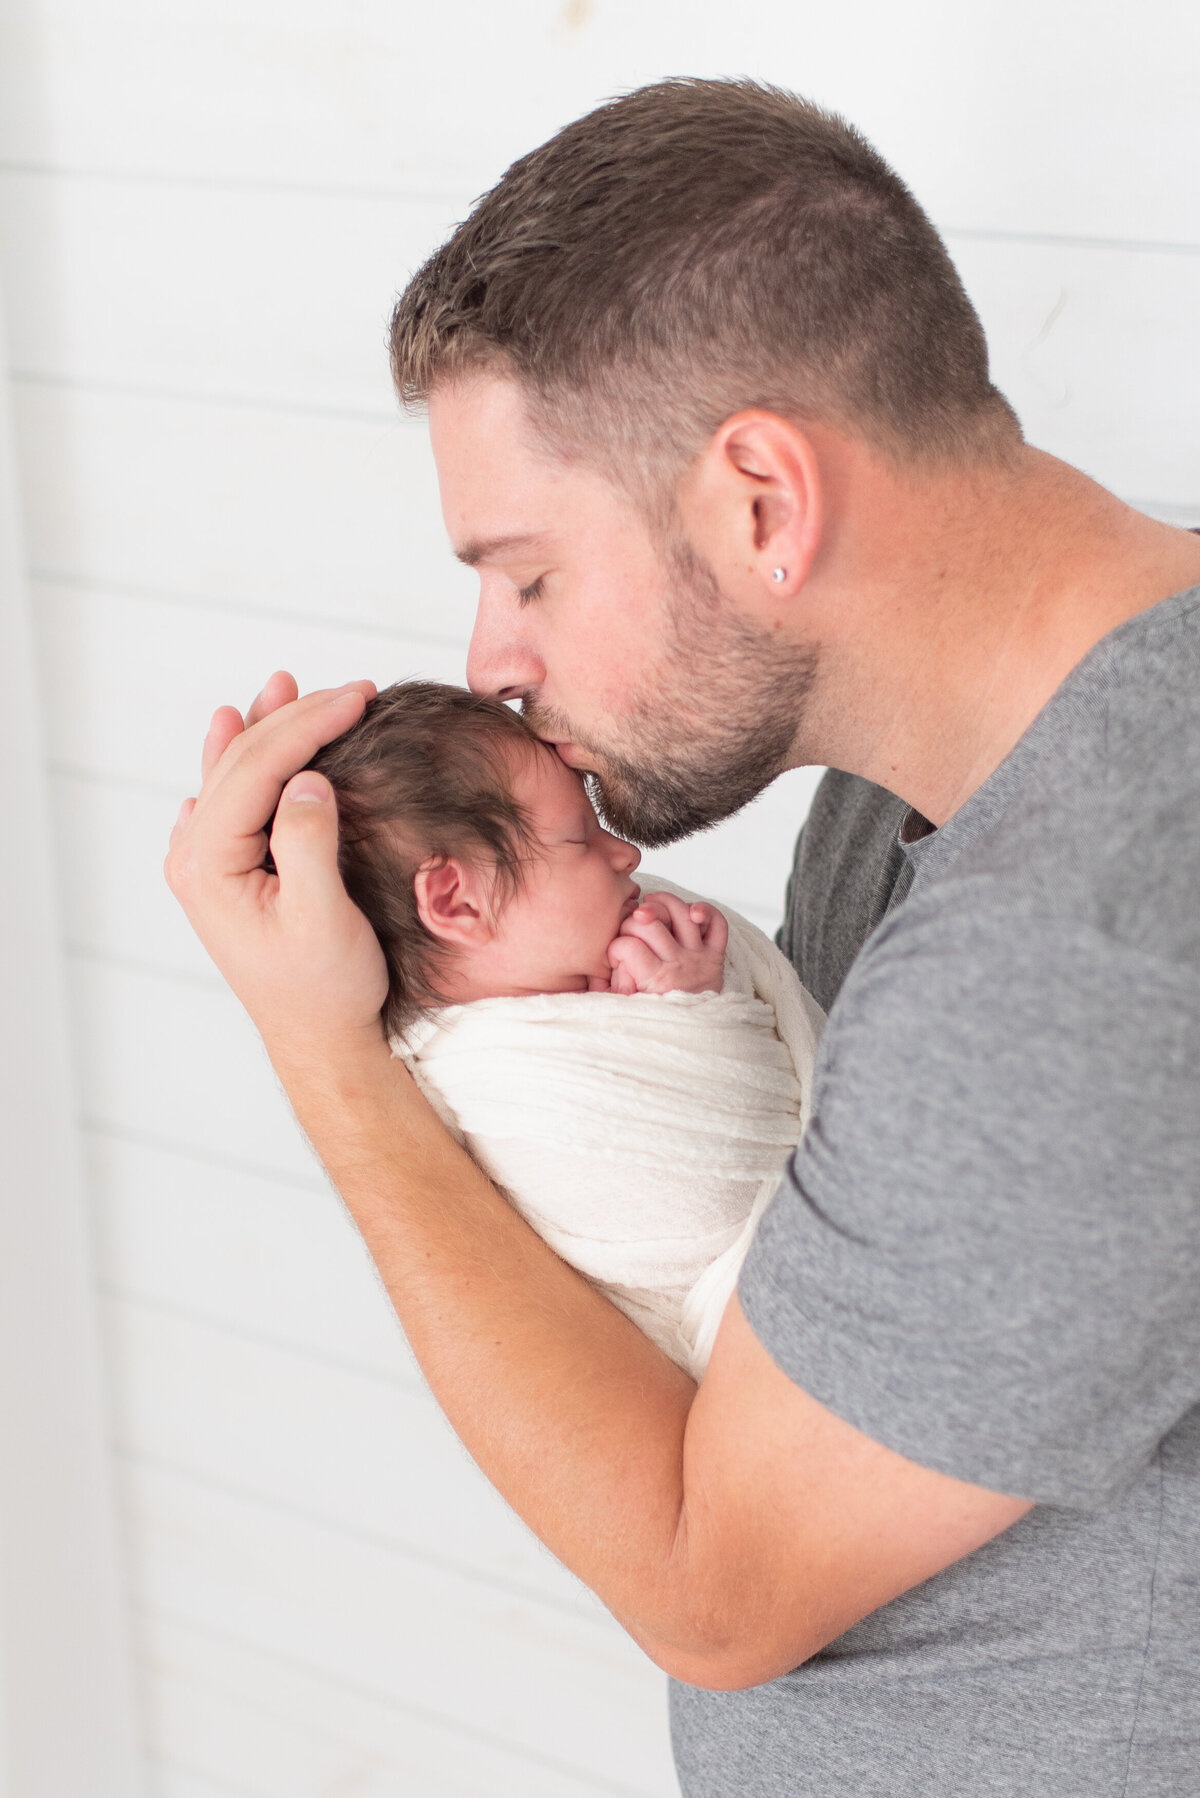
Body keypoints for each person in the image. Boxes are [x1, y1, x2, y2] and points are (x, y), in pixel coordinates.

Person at [166, 77, 1200, 1797]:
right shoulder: (931, 786)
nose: (490, 657)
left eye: (530, 573)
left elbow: (712, 1584)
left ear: (762, 503)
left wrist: (326, 1049)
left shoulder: (1071, 947)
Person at [301, 676, 822, 1378]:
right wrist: (690, 1015)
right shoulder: (484, 1082)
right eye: (579, 836)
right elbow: (711, 1195)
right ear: (456, 900)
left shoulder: (621, 943)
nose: (626, 855)